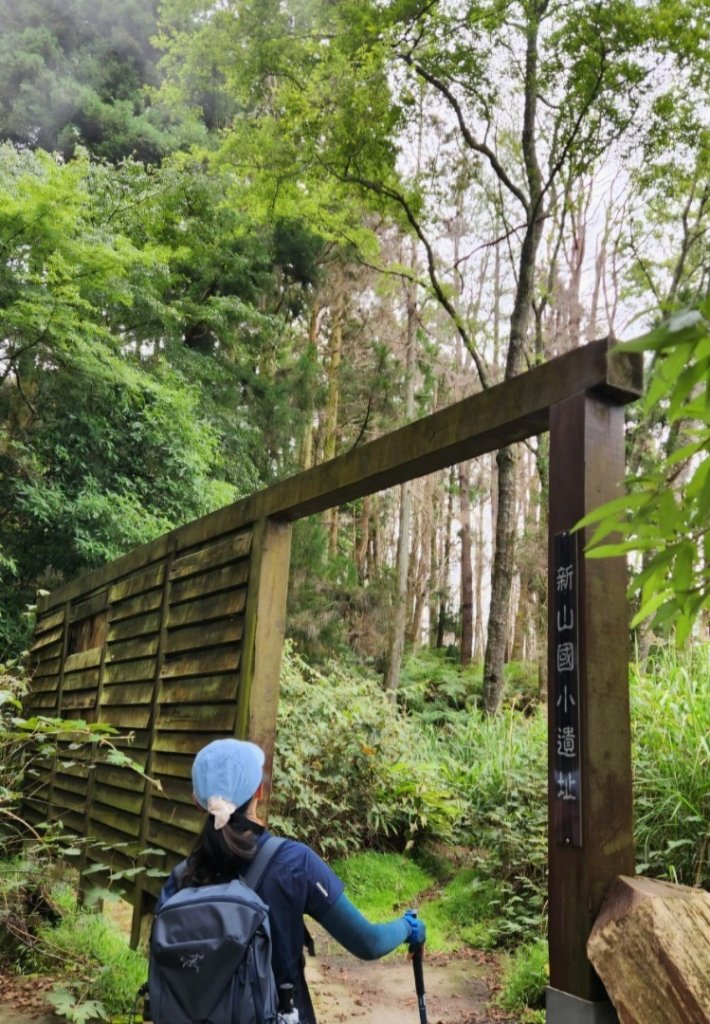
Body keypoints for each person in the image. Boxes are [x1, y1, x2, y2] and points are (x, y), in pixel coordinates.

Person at [155, 738, 426, 1024]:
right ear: (259, 790)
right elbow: (368, 943)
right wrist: (408, 927)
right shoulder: (294, 863)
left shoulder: (180, 880)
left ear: (197, 803)